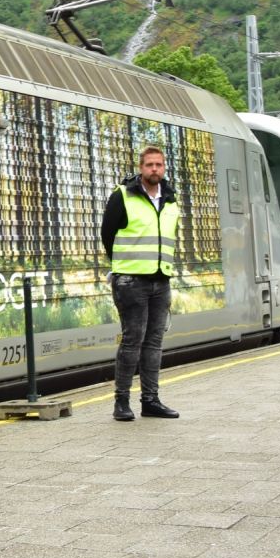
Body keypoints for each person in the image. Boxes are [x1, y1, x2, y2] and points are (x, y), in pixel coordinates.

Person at [101, 145, 180, 421]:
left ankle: (151, 400)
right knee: (132, 340)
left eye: (159, 165)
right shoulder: (123, 196)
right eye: (149, 165)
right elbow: (107, 234)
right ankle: (121, 402)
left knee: (154, 342)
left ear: (164, 168)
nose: (154, 169)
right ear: (141, 168)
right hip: (130, 281)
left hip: (161, 279)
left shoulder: (170, 199)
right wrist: (122, 266)